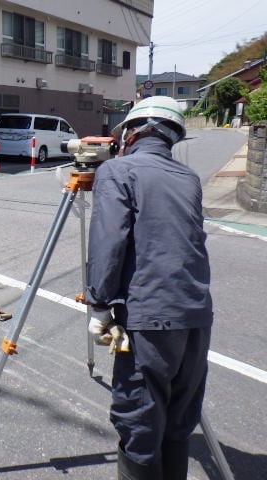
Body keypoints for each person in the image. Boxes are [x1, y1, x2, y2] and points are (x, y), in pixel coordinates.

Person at [83, 96, 213, 479]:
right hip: (196, 317)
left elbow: (108, 242)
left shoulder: (118, 171)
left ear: (132, 132)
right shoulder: (188, 178)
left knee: (139, 425)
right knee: (177, 422)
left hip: (150, 320)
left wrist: (99, 305)